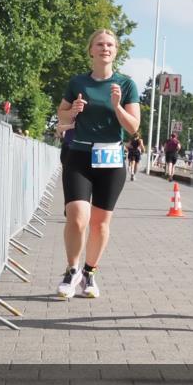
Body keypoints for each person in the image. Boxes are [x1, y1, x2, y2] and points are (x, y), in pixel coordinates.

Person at [56, 29, 140, 299]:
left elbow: (133, 127)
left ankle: (89, 273)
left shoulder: (126, 85)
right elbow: (62, 113)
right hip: (79, 155)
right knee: (78, 217)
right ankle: (72, 271)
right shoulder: (78, 82)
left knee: (100, 224)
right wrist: (74, 111)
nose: (105, 48)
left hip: (111, 159)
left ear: (116, 51)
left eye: (110, 45)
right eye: (100, 44)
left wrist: (117, 106)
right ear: (91, 50)